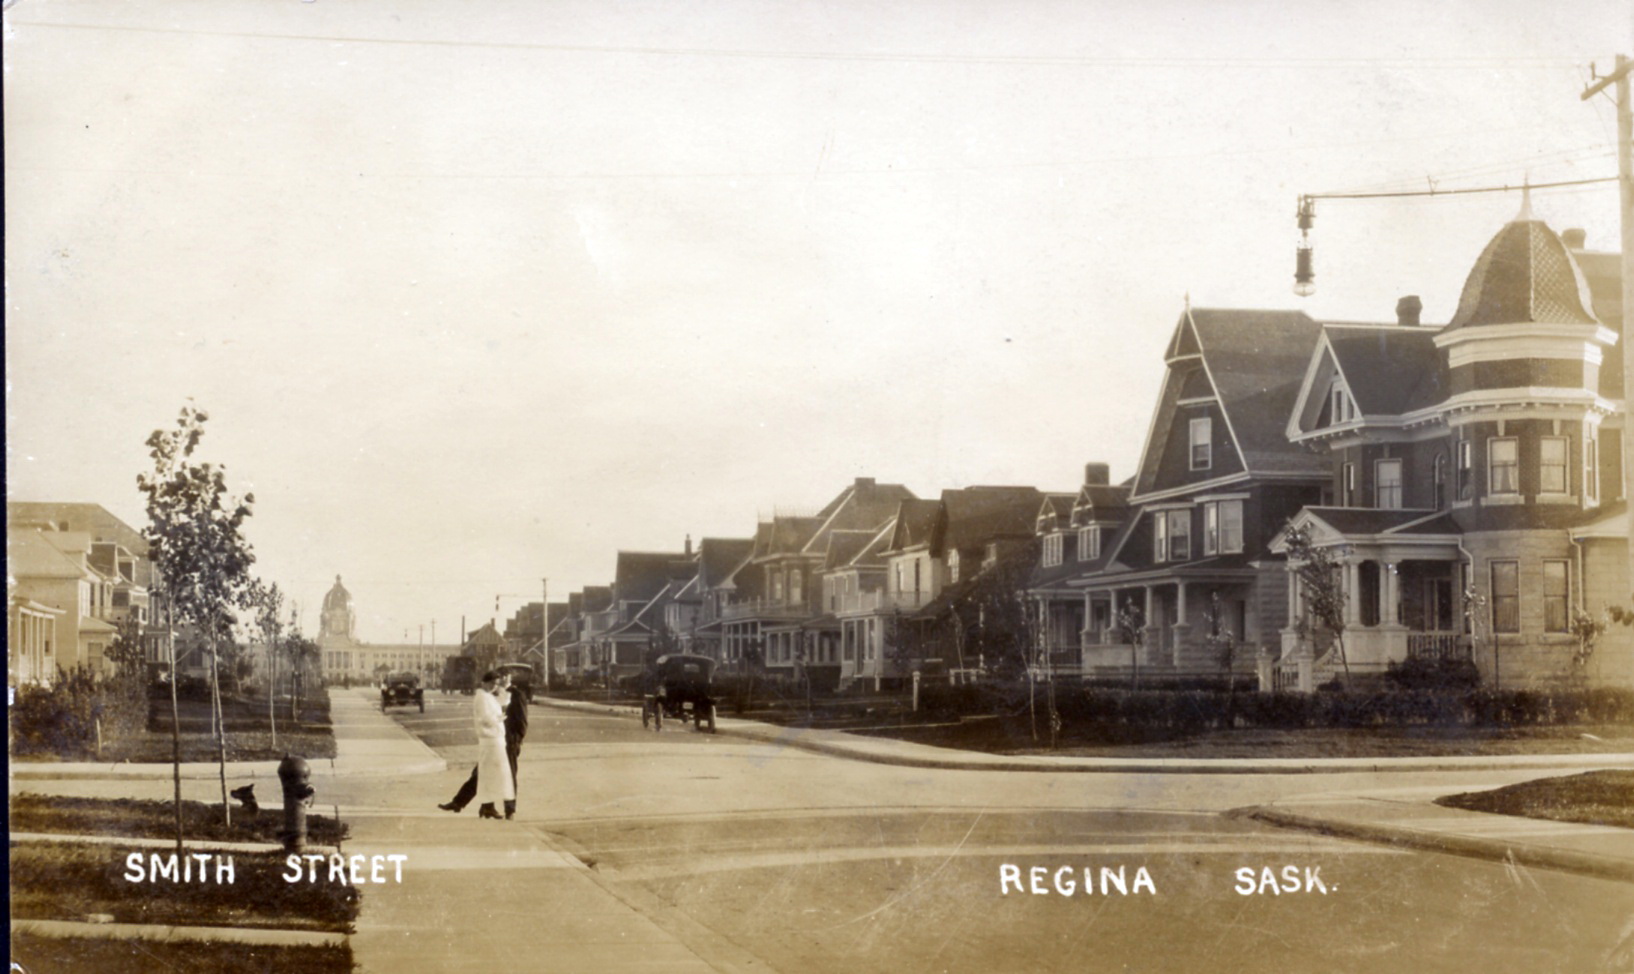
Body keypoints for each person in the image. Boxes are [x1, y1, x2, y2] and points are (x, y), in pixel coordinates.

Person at [437, 671, 515, 819]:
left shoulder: (488, 696)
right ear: (484, 683)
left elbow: (503, 701)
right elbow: (485, 719)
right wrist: (499, 718)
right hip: (490, 739)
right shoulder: (482, 697)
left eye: (496, 684)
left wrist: (505, 687)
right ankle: (485, 806)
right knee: (490, 773)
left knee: (488, 773)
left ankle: (485, 806)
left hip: (495, 739)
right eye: (492, 683)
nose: (494, 687)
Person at [502, 673, 528, 819]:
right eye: (499, 676)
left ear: (509, 678)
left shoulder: (517, 694)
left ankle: (510, 810)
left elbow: (522, 721)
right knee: (480, 773)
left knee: (509, 774)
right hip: (494, 741)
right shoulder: (493, 694)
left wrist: (517, 739)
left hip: (509, 741)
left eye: (505, 676)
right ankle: (459, 802)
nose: (501, 679)